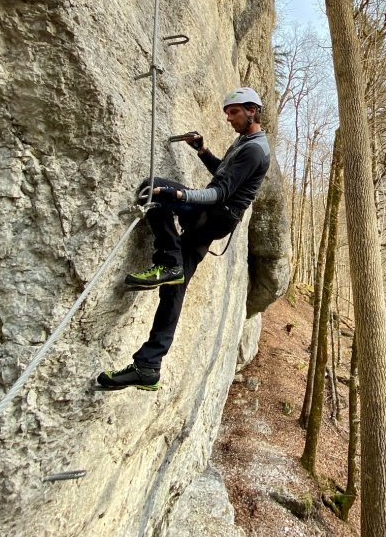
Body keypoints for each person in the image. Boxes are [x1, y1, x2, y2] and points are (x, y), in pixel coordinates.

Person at [96, 87, 271, 391]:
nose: (229, 118)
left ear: (252, 110)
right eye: (227, 113)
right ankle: (148, 366)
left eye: (234, 112)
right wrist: (203, 152)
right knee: (174, 290)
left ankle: (168, 260)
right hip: (216, 218)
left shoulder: (255, 149)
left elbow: (219, 192)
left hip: (213, 214)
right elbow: (225, 175)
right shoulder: (247, 142)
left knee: (153, 188)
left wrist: (178, 195)